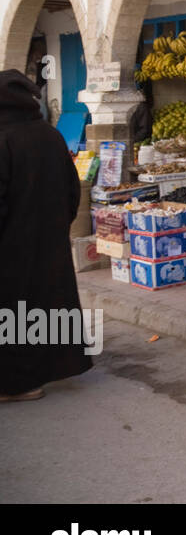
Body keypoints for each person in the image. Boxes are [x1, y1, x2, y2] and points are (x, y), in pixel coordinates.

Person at [0, 69, 92, 401]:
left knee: (14, 309)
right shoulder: (51, 136)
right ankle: (52, 368)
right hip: (50, 241)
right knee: (49, 302)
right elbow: (72, 190)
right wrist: (57, 226)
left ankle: (17, 385)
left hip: (11, 246)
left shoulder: (3, 139)